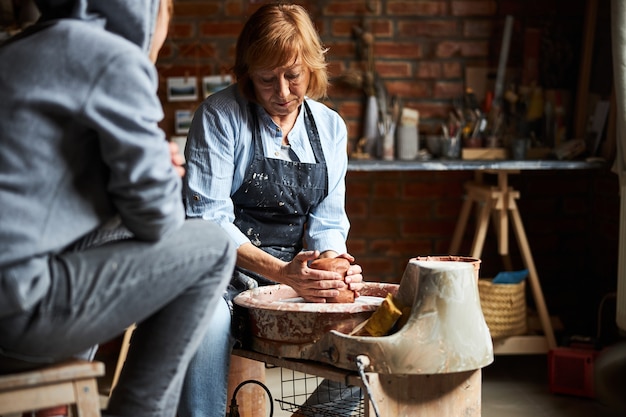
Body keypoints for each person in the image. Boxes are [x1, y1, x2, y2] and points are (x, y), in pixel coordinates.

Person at [0, 1, 236, 417]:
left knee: (115, 230)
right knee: (213, 247)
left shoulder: (16, 50)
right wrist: (159, 172)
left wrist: (131, 174)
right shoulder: (111, 59)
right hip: (17, 316)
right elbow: (159, 219)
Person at [179, 3, 364, 417]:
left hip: (291, 279)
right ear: (248, 75)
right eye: (266, 80)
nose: (281, 93)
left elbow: (329, 223)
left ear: (311, 69)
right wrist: (283, 274)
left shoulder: (330, 128)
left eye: (292, 76)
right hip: (218, 276)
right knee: (205, 325)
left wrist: (332, 268)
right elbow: (208, 222)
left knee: (369, 338)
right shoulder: (220, 116)